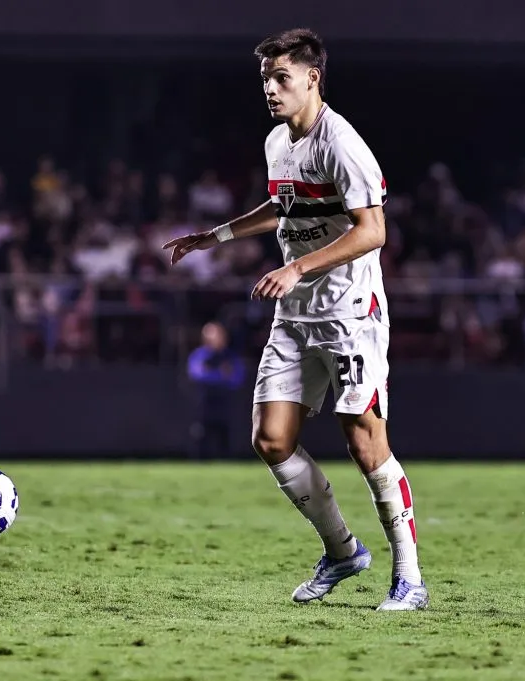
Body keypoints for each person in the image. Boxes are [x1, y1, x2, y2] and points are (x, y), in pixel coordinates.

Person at [164, 27, 427, 611]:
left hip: (350, 313)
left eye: (281, 78)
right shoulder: (276, 141)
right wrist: (216, 236)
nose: (270, 89)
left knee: (365, 445)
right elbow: (286, 204)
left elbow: (373, 231)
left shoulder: (344, 144)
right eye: (265, 79)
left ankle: (409, 577)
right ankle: (343, 552)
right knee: (271, 439)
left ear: (313, 78)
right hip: (297, 313)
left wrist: (298, 266)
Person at [187, 321, 245, 459]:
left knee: (225, 445)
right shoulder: (199, 356)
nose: (215, 340)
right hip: (203, 406)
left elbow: (236, 379)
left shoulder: (230, 357)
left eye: (219, 336)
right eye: (211, 336)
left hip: (225, 407)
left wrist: (215, 374)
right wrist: (220, 374)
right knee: (201, 442)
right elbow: (196, 375)